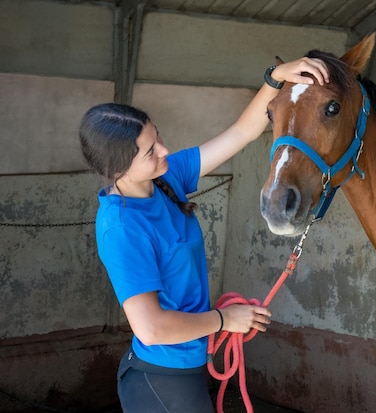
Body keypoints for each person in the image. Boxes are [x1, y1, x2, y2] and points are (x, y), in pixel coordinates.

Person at [79, 57, 329, 413]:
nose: (164, 150)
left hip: (188, 368)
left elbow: (242, 132)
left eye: (157, 136)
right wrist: (226, 320)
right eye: (150, 151)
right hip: (161, 378)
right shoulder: (121, 228)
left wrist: (275, 78)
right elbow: (150, 328)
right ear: (118, 169)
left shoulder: (165, 178)